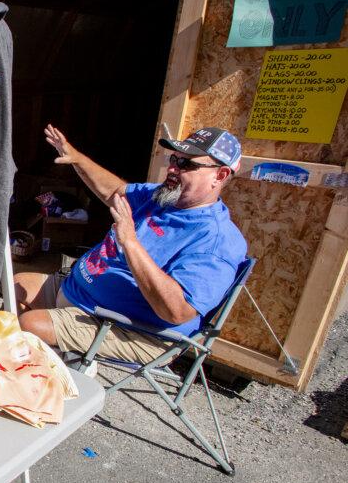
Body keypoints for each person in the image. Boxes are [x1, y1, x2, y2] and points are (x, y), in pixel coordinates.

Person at [15, 123, 247, 369]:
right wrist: (77, 159)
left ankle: (67, 369)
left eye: (186, 164)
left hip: (131, 327)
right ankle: (54, 358)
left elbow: (176, 311)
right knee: (16, 285)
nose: (173, 168)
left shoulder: (216, 241)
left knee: (29, 325)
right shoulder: (163, 196)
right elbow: (116, 191)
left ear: (219, 175)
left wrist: (130, 242)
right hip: (81, 292)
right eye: (174, 159)